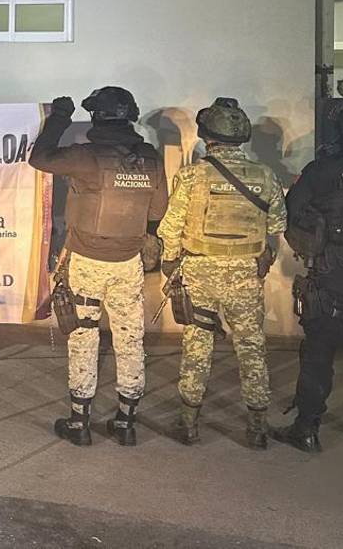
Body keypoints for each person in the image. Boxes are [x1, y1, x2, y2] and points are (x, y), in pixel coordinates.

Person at [30, 88, 168, 446]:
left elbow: (40, 158)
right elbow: (157, 212)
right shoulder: (151, 158)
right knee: (130, 338)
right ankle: (126, 422)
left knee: (83, 335)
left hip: (87, 261)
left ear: (96, 116)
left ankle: (79, 423)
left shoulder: (86, 156)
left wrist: (59, 118)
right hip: (128, 263)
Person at [157, 98, 286, 449]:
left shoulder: (192, 175)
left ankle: (189, 424)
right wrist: (263, 255)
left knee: (197, 344)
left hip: (199, 270)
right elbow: (277, 225)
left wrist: (169, 263)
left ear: (208, 135)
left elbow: (171, 229)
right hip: (246, 274)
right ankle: (257, 428)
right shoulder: (265, 175)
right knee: (251, 346)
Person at [270, 105, 343, 453]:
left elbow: (291, 218)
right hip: (333, 270)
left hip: (332, 274)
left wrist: (311, 251)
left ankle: (306, 429)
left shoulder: (321, 170)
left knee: (318, 353)